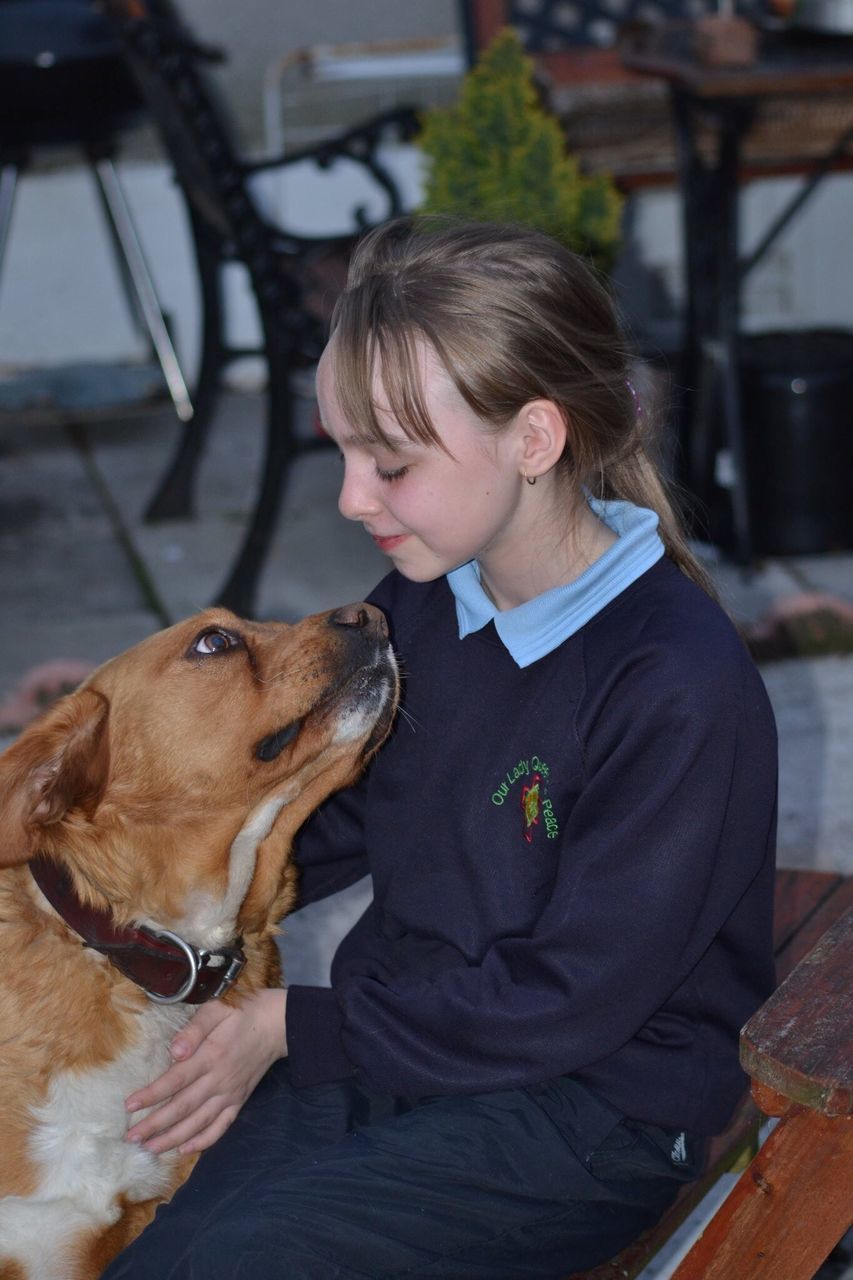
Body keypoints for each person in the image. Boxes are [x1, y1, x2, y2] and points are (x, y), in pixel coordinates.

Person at [104, 217, 778, 1279]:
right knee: (163, 1253)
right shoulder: (424, 604)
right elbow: (344, 816)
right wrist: (133, 887)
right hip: (413, 1051)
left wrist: (295, 1024)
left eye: (392, 463)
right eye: (343, 451)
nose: (351, 498)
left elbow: (568, 996)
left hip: (592, 1109)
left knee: (250, 1261)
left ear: (535, 439)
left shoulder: (673, 681)